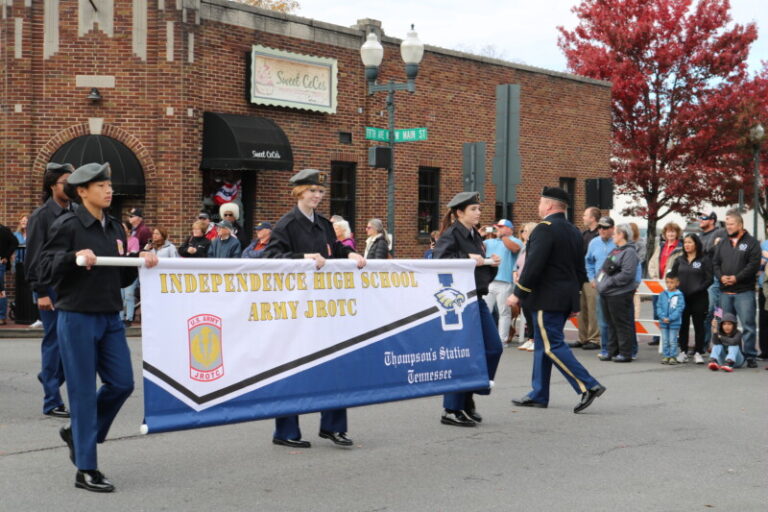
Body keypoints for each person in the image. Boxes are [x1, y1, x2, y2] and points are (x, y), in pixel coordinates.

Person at [39, 162, 158, 492]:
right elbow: (44, 267)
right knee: (81, 393)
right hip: (77, 316)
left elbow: (121, 276)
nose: (108, 190)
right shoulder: (67, 225)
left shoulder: (116, 228)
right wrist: (74, 257)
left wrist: (141, 262)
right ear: (81, 191)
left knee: (122, 383)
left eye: (109, 185)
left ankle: (76, 433)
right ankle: (86, 469)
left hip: (109, 316)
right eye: (101, 185)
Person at [264, 168, 366, 448]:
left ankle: (333, 426)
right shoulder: (286, 224)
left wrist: (351, 252)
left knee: (334, 362)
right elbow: (271, 257)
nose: (317, 196)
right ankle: (285, 431)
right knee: (291, 368)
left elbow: (334, 248)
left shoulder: (323, 223)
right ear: (299, 192)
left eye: (320, 192)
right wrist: (302, 257)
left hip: (324, 305)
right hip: (296, 306)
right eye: (312, 191)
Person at [508, 187, 605, 413]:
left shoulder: (544, 229)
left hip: (545, 298)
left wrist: (518, 292)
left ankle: (588, 385)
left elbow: (533, 265)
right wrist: (574, 300)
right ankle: (539, 393)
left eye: (541, 202)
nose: (539, 207)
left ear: (550, 206)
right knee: (543, 345)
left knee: (552, 345)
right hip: (562, 298)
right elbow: (578, 270)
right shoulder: (573, 230)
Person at [433, 191, 502, 427]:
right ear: (459, 213)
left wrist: (492, 263)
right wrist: (466, 257)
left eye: (479, 209)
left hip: (477, 298)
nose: (478, 213)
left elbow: (480, 271)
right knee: (461, 353)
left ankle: (468, 396)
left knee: (493, 347)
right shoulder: (452, 234)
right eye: (473, 209)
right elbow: (439, 261)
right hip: (459, 302)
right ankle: (452, 408)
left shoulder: (475, 235)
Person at [24, 162, 76, 417]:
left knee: (76, 342)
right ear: (52, 185)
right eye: (65, 181)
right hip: (51, 288)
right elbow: (33, 257)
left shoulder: (77, 212)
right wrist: (41, 291)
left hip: (73, 288)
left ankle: (48, 376)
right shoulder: (41, 216)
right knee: (55, 342)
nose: (70, 185)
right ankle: (52, 402)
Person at [712, 210, 761, 368]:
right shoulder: (722, 242)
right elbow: (715, 263)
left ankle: (750, 356)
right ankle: (727, 354)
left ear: (740, 224)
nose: (728, 227)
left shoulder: (752, 243)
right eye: (727, 224)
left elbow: (753, 265)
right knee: (723, 323)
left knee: (748, 324)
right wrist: (721, 277)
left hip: (744, 292)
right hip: (724, 293)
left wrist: (736, 278)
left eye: (731, 224)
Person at [596, 224, 640, 363]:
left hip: (620, 293)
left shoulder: (629, 252)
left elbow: (627, 274)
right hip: (607, 293)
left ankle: (625, 353)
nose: (612, 235)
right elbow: (604, 269)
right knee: (610, 323)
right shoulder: (615, 251)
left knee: (621, 323)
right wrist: (599, 282)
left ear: (622, 234)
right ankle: (611, 351)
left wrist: (608, 283)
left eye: (615, 233)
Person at [670, 234, 712, 364]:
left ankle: (698, 352)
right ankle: (683, 351)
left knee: (699, 325)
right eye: (685, 243)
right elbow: (673, 276)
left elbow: (709, 279)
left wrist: (699, 289)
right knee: (683, 325)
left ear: (696, 244)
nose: (686, 245)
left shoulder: (704, 260)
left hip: (699, 297)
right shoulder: (679, 260)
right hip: (682, 298)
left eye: (690, 242)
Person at [483, 219, 522, 345]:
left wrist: (503, 236)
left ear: (510, 229)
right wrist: (479, 235)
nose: (498, 229)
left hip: (505, 282)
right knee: (485, 310)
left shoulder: (515, 241)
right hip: (489, 281)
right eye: (497, 227)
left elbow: (515, 249)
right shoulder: (490, 241)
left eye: (501, 227)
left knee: (504, 312)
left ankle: (502, 340)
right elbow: (476, 248)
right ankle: (485, 338)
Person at [583, 216, 616, 356]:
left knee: (615, 318)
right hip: (600, 285)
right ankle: (605, 349)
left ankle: (617, 348)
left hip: (615, 285)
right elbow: (589, 261)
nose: (602, 230)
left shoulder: (617, 242)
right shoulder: (594, 243)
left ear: (612, 229)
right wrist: (591, 278)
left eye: (605, 228)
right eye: (600, 227)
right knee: (602, 319)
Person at [647, 222, 683, 348]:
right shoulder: (661, 246)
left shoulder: (680, 247)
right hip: (658, 283)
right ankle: (657, 336)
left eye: (673, 231)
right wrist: (654, 276)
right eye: (668, 231)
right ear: (664, 233)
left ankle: (674, 337)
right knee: (658, 309)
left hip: (672, 284)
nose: (670, 234)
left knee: (673, 311)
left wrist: (673, 279)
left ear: (677, 233)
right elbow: (652, 262)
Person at [573, 207, 601, 350]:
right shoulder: (584, 234)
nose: (583, 217)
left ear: (593, 218)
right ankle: (582, 337)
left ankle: (594, 339)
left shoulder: (598, 236)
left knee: (593, 309)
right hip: (581, 277)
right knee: (581, 309)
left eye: (585, 215)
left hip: (592, 278)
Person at [698, 212, 726, 349]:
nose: (700, 220)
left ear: (712, 220)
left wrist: (711, 247)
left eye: (704, 218)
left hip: (716, 278)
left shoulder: (720, 232)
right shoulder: (700, 235)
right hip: (702, 278)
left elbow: (709, 249)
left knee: (715, 310)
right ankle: (704, 344)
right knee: (706, 312)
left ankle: (717, 343)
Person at [514, 222, 538, 351]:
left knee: (532, 311)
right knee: (526, 311)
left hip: (531, 284)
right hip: (521, 281)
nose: (523, 233)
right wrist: (516, 274)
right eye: (523, 231)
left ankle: (536, 339)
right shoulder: (524, 247)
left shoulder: (535, 247)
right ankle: (531, 338)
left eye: (526, 230)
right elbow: (518, 265)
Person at [655, 275, 685, 365]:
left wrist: (670, 318)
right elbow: (658, 306)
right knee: (665, 340)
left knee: (672, 340)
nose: (669, 285)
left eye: (672, 282)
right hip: (663, 321)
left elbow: (680, 308)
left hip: (674, 322)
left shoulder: (679, 295)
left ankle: (673, 356)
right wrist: (663, 317)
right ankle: (666, 356)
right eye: (667, 282)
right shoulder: (662, 294)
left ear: (677, 283)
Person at [120, 220, 140, 327]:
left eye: (124, 228)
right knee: (120, 297)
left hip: (130, 271)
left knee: (128, 295)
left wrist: (125, 254)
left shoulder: (134, 240)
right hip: (119, 271)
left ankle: (129, 317)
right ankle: (120, 317)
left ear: (129, 229)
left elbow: (132, 255)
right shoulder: (118, 241)